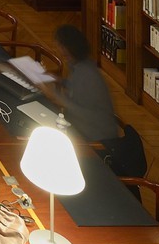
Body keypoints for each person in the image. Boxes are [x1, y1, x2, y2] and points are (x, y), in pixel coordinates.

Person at [47, 24, 128, 154]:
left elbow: (79, 110)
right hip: (87, 129)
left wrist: (53, 94)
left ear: (67, 48)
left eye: (59, 46)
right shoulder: (82, 66)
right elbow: (78, 89)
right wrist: (61, 81)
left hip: (96, 139)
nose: (58, 50)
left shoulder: (87, 74)